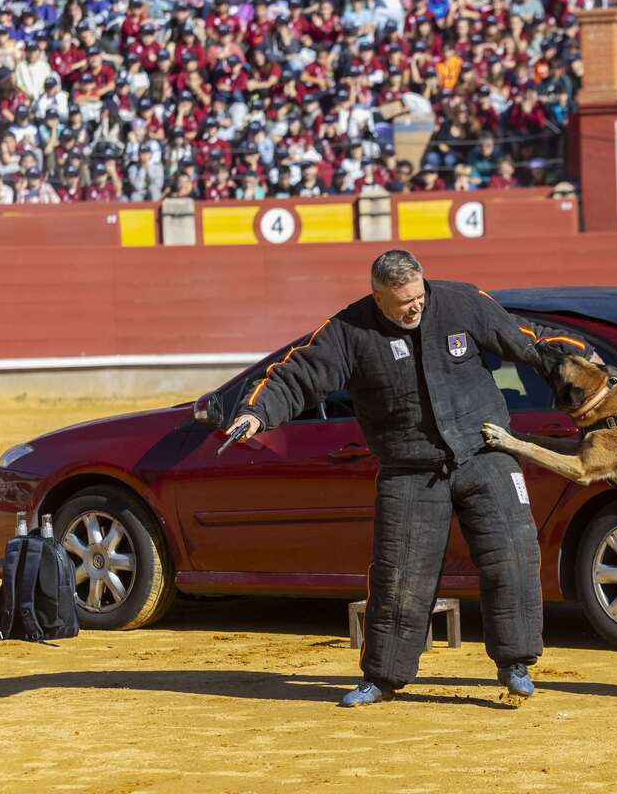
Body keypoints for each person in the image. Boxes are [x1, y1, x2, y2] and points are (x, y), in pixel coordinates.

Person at [226, 250, 595, 707]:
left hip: (486, 451)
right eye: (403, 302)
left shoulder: (461, 302)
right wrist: (255, 412)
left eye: (419, 295)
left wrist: (581, 359)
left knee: (514, 557)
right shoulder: (347, 331)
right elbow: (297, 375)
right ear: (378, 298)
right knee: (400, 577)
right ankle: (382, 678)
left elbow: (528, 340)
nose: (415, 306)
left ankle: (515, 664)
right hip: (409, 469)